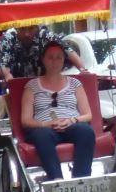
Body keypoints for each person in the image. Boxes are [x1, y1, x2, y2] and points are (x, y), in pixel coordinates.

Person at [21, 38, 96, 181]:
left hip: (71, 125)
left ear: (63, 61)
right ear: (43, 60)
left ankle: (81, 179)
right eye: (50, 57)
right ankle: (57, 181)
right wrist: (45, 124)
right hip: (44, 128)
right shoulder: (32, 86)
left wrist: (71, 120)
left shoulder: (75, 83)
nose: (54, 61)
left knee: (86, 131)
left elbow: (87, 115)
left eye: (58, 58)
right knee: (43, 135)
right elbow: (25, 120)